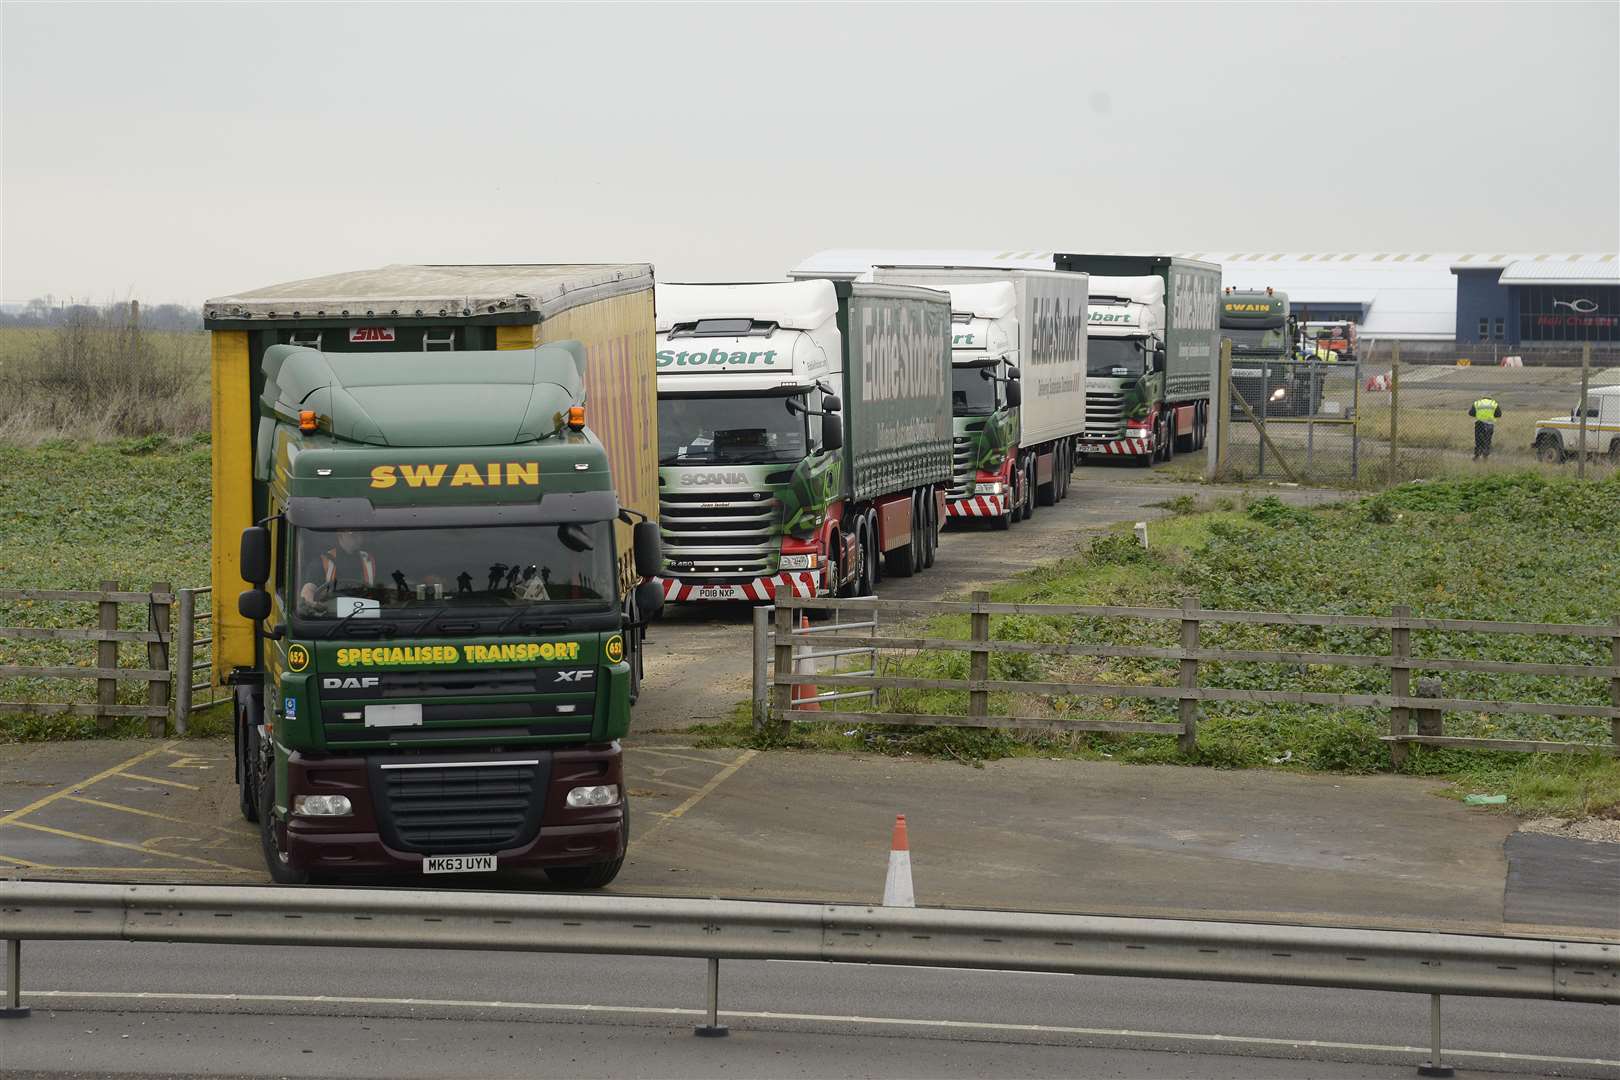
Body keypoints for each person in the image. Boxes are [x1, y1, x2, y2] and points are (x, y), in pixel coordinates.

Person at [299, 530, 378, 614]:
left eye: (361, 533)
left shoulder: (370, 560)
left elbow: (388, 587)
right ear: (340, 534)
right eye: (353, 534)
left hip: (368, 616)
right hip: (331, 618)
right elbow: (309, 587)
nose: (359, 537)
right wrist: (309, 600)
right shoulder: (322, 561)